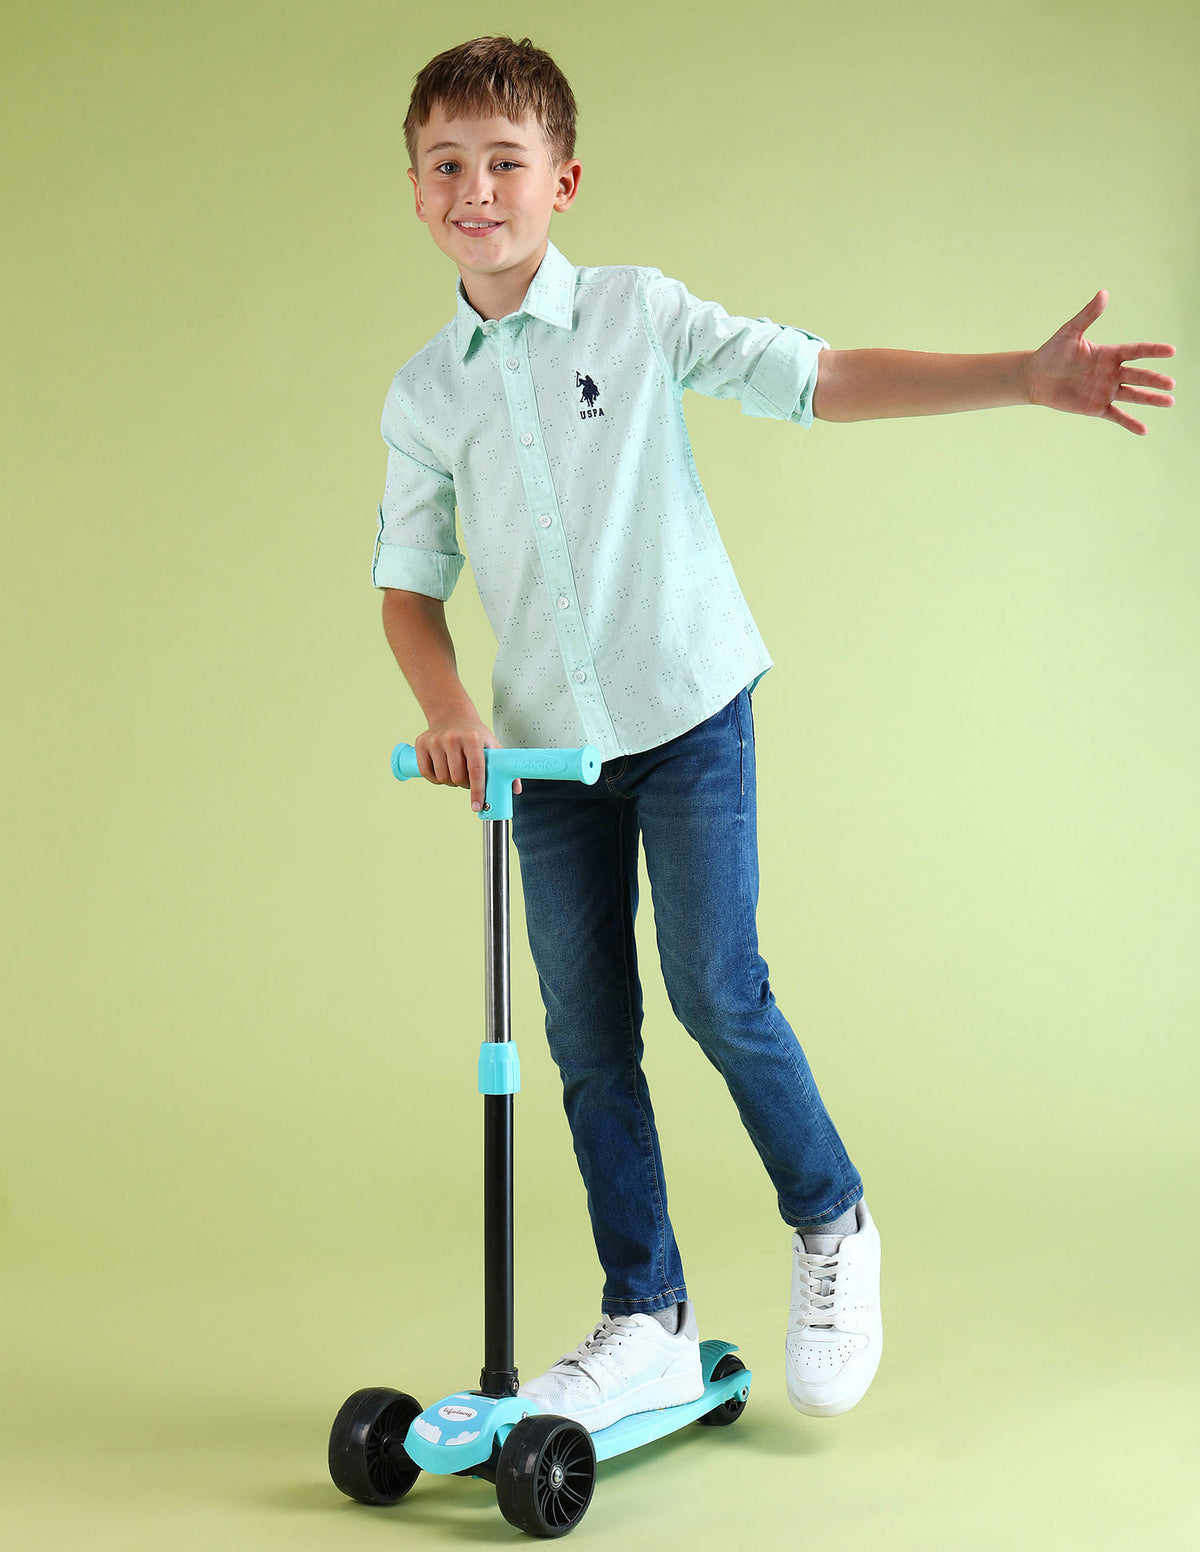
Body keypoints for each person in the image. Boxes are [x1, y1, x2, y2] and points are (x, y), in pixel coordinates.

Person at [373, 35, 1176, 1427]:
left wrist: (1023, 376)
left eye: (505, 161)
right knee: (585, 1035)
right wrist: (448, 708)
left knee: (715, 988)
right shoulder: (425, 393)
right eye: (447, 164)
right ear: (415, 188)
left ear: (565, 181)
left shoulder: (635, 313)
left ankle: (833, 1221)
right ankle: (646, 1313)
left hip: (689, 711)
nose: (476, 188)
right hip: (548, 755)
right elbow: (408, 591)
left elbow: (822, 376)